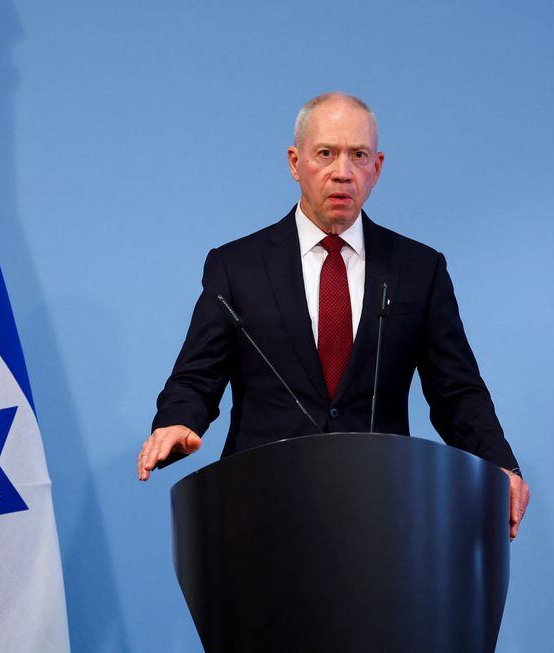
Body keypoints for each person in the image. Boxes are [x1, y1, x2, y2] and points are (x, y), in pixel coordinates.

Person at [136, 92, 530, 540]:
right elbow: (197, 377)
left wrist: (500, 463)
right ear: (295, 162)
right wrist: (176, 422)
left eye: (358, 155)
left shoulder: (418, 270)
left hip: (379, 519)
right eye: (326, 153)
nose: (342, 171)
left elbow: (456, 391)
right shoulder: (237, 267)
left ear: (377, 168)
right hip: (259, 512)